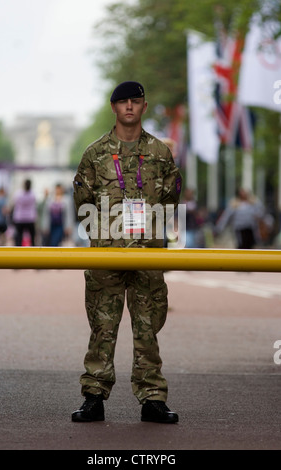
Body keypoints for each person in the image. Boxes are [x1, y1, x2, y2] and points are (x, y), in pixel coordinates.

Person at [72, 81, 182, 424]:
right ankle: (93, 396)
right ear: (114, 107)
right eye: (123, 102)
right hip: (106, 254)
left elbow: (170, 200)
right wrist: (105, 234)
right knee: (102, 327)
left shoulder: (162, 153)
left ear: (145, 107)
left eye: (136, 101)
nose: (130, 107)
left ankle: (152, 398)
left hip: (148, 253)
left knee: (147, 329)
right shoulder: (95, 154)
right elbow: (82, 201)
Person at [12, 179, 37, 246]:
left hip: (19, 218)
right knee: (32, 237)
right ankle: (33, 251)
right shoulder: (33, 194)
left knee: (19, 237)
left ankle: (17, 251)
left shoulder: (18, 194)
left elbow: (14, 203)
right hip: (30, 218)